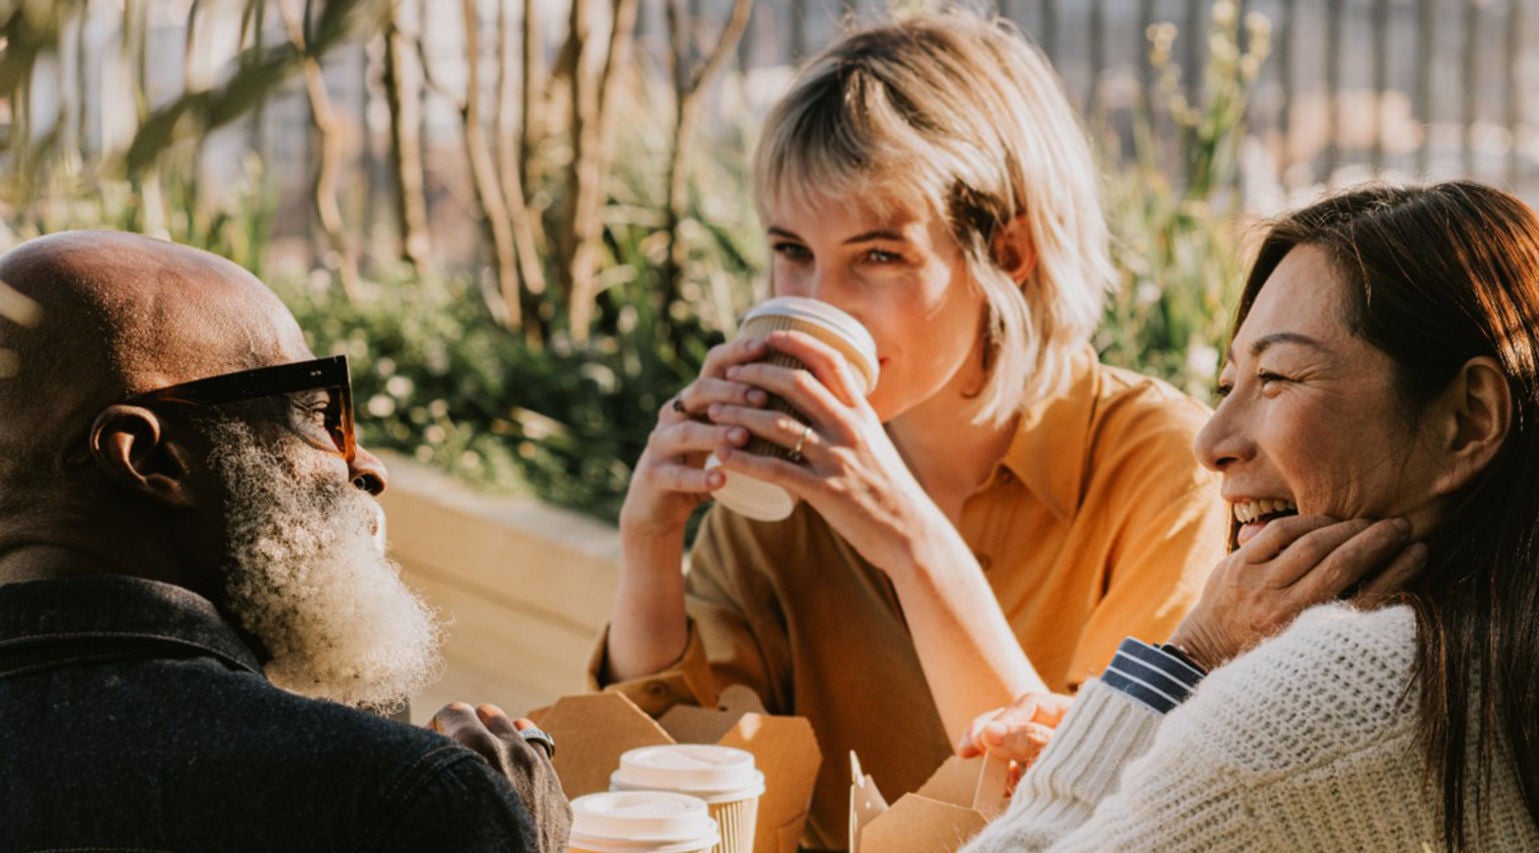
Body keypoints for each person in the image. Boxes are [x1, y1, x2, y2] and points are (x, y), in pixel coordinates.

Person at [957, 182, 1539, 851]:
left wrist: (1186, 658)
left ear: (1467, 420)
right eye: (1226, 382)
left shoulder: (1348, 689)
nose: (1215, 441)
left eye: (1277, 378)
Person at [594, 11, 1226, 846]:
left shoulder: (1165, 468)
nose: (818, 300)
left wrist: (909, 539)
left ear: (1010, 253)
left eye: (877, 255)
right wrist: (649, 543)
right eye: (791, 248)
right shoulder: (780, 491)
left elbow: (1093, 812)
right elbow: (671, 786)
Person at [0, 231, 569, 851]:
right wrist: (509, 830)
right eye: (310, 412)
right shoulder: (396, 797)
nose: (369, 466)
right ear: (153, 458)